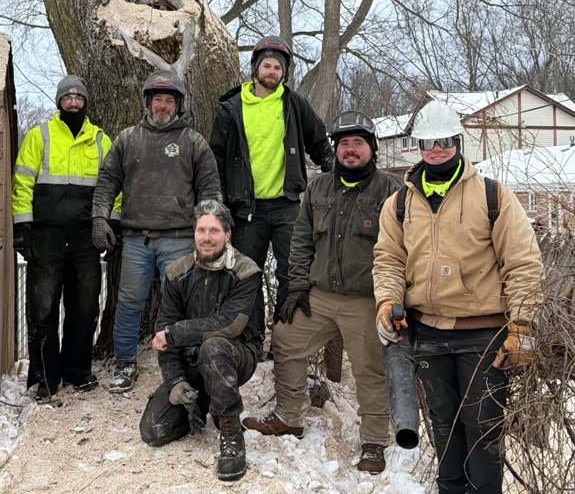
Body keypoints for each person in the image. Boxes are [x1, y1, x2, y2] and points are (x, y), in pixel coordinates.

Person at [373, 100, 543, 494]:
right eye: (428, 142)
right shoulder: (398, 204)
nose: (437, 149)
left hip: (483, 335)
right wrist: (387, 300)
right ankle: (450, 489)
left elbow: (523, 263)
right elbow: (387, 261)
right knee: (443, 423)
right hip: (427, 333)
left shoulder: (492, 197)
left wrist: (523, 324)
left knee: (483, 426)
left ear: (458, 141)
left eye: (445, 141)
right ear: (418, 146)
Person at [244, 111, 402, 473]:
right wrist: (297, 285)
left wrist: (395, 296)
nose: (350, 150)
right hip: (321, 295)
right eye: (344, 143)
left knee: (370, 371)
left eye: (358, 143)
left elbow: (406, 247)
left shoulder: (392, 190)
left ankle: (374, 442)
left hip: (368, 300)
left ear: (372, 149)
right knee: (285, 340)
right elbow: (301, 241)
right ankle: (289, 416)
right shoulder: (317, 188)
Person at [91, 70, 222, 393]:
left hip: (179, 239)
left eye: (169, 100)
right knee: (129, 301)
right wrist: (99, 218)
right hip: (136, 238)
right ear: (147, 103)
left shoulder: (192, 142)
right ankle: (124, 362)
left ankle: (184, 363)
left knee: (183, 304)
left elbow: (210, 190)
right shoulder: (127, 139)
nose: (162, 106)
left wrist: (211, 233)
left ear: (179, 106)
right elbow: (107, 181)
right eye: (157, 100)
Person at [210, 35, 334, 341]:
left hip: (286, 205)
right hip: (245, 209)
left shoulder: (294, 105)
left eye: (278, 67)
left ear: (284, 73)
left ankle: (284, 337)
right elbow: (216, 160)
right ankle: (250, 339)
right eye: (266, 65)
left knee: (292, 272)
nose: (272, 71)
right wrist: (220, 205)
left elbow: (320, 145)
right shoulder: (231, 108)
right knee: (245, 274)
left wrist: (341, 171)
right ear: (254, 67)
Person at [13, 75, 119, 401]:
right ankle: (45, 376)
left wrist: (112, 224)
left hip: (86, 238)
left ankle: (78, 371)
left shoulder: (102, 141)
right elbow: (22, 184)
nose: (73, 103)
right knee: (42, 309)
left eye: (78, 98)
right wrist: (23, 227)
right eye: (67, 98)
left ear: (86, 102)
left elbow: (115, 189)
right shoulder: (39, 136)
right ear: (59, 102)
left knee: (84, 308)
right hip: (45, 237)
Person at [140, 200, 261, 482]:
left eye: (214, 231)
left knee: (214, 346)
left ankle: (230, 431)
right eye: (201, 230)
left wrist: (176, 333)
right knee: (154, 430)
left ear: (227, 235)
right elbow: (163, 332)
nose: (206, 237)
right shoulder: (177, 272)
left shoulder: (246, 271)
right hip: (191, 362)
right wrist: (174, 380)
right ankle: (203, 398)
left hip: (235, 356)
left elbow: (230, 324)